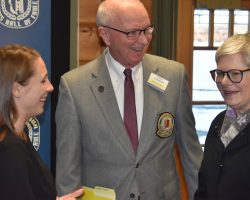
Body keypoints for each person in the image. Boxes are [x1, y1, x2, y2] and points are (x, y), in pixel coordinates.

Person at [55, 0, 203, 199]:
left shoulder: (173, 76)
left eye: (147, 29)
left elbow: (191, 154)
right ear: (105, 35)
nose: (143, 41)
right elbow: (67, 168)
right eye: (132, 33)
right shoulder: (75, 87)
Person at [0, 44, 83, 200]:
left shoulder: (18, 138)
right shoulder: (9, 149)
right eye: (43, 80)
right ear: (17, 89)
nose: (50, 87)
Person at [194, 32, 250, 200]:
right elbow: (204, 186)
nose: (224, 82)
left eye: (234, 73)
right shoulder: (219, 122)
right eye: (220, 73)